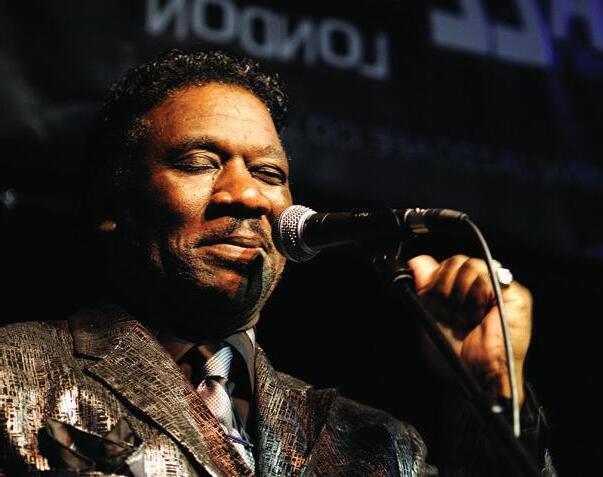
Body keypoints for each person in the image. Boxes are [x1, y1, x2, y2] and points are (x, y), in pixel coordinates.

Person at [0, 49, 555, 476]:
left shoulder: (381, 445)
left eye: (268, 174)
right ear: (112, 209)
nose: (246, 195)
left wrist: (494, 392)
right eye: (200, 162)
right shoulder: (13, 370)